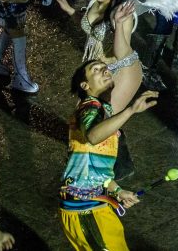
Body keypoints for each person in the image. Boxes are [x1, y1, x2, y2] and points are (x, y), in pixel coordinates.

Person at [59, 60, 158, 251]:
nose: (104, 70)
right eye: (95, 69)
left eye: (105, 68)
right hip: (85, 211)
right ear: (85, 85)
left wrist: (117, 191)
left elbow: (96, 167)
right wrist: (130, 110)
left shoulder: (104, 110)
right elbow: (93, 136)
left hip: (95, 206)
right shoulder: (89, 107)